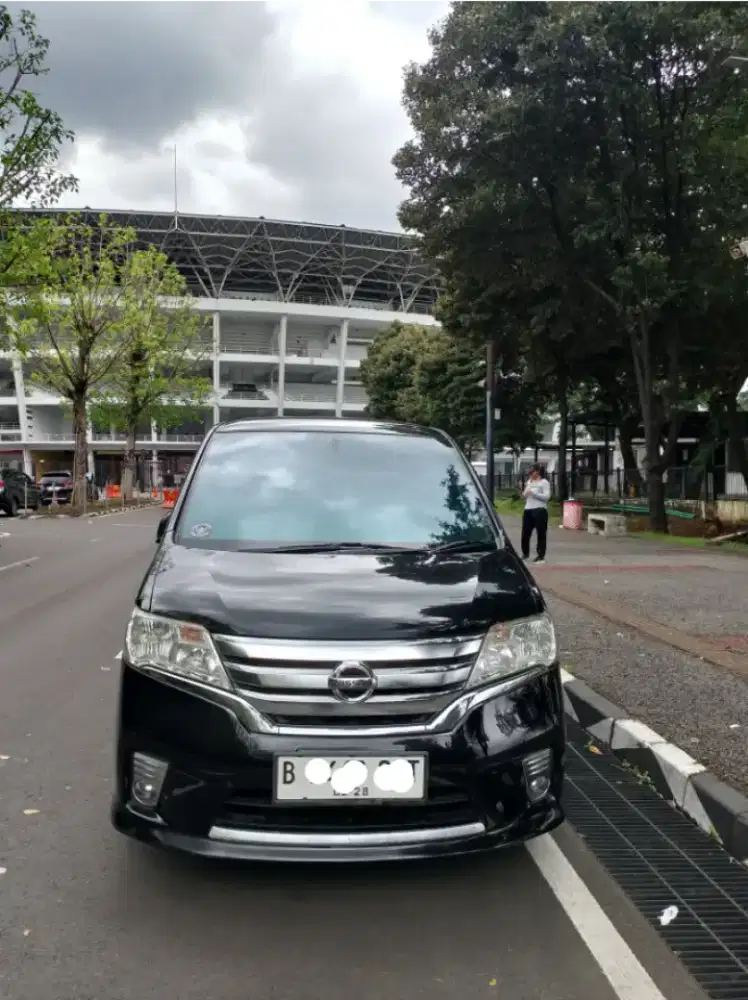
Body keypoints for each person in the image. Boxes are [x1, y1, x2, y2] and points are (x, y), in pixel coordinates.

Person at [520, 464, 551, 564]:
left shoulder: (544, 482)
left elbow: (547, 497)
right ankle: (525, 553)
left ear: (538, 472)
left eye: (532, 471)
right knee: (525, 533)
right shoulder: (529, 482)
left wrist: (534, 494)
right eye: (530, 471)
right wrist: (523, 494)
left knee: (541, 533)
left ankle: (540, 556)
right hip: (528, 509)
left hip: (540, 510)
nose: (530, 473)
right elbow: (524, 496)